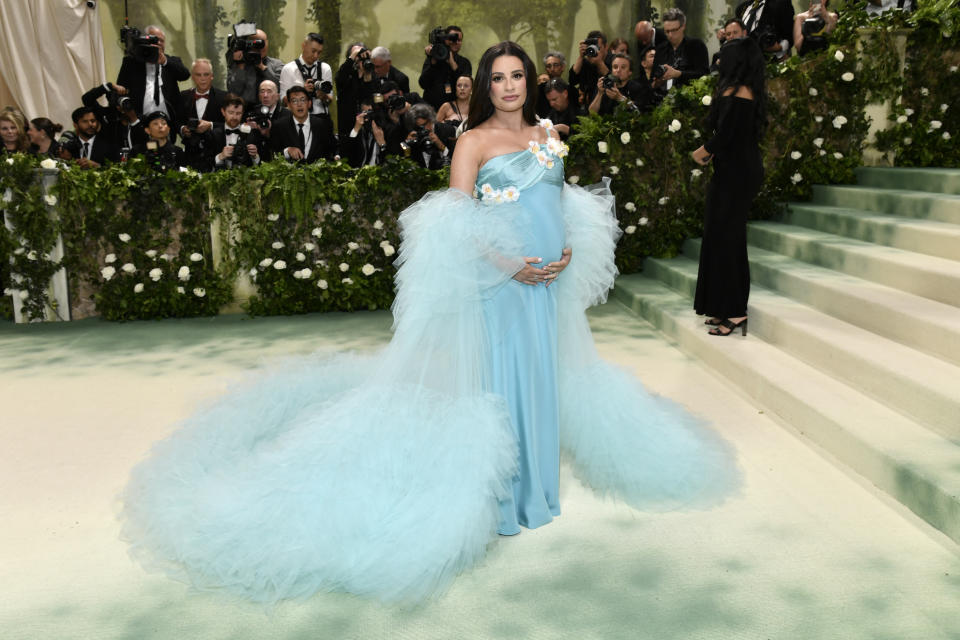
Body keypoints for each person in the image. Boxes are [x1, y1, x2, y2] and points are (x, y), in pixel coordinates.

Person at [120, 39, 737, 605]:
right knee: (497, 384)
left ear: (531, 81)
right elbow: (455, 223)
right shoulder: (471, 144)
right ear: (485, 86)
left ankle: (537, 493)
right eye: (498, 78)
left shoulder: (549, 134)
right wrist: (506, 265)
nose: (510, 86)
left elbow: (559, 197)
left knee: (542, 379)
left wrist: (569, 246)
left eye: (518, 75)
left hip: (546, 288)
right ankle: (498, 501)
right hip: (500, 289)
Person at [691, 37, 767, 337]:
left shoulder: (743, 93)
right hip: (730, 170)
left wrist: (704, 150)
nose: (720, 60)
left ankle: (735, 311)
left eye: (725, 56)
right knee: (717, 236)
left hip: (740, 173)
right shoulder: (733, 89)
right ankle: (720, 306)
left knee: (729, 239)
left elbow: (728, 135)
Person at [116, 26, 190, 138]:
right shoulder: (131, 63)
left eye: (162, 40)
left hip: (167, 125)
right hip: (139, 123)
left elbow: (185, 75)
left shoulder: (171, 61)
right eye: (155, 39)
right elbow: (120, 89)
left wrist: (164, 60)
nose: (158, 43)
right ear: (145, 40)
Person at [271, 86, 337, 163]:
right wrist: (287, 151)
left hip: (318, 173)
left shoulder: (323, 124)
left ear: (309, 103)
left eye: (303, 100)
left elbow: (334, 148)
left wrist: (337, 157)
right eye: (294, 101)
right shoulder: (279, 126)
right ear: (289, 105)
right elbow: (273, 154)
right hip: (290, 174)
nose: (299, 104)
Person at [279, 33, 334, 122]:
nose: (316, 56)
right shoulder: (288, 69)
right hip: (295, 118)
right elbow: (284, 101)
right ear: (303, 46)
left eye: (319, 52)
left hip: (321, 118)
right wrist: (301, 91)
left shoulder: (325, 68)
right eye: (313, 51)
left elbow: (329, 100)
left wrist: (323, 96)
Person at [654, 8, 709, 91]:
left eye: (674, 30)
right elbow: (653, 78)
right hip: (661, 98)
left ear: (683, 26)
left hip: (688, 97)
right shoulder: (661, 49)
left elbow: (704, 74)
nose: (670, 35)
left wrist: (679, 74)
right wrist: (657, 81)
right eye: (667, 31)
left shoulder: (696, 46)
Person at [225, 28, 284, 106]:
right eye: (255, 42)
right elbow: (233, 90)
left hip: (270, 111)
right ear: (249, 44)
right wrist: (240, 66)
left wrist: (262, 67)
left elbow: (280, 87)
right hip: (245, 110)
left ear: (267, 42)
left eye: (262, 42)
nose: (259, 47)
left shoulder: (276, 64)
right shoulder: (240, 64)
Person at [418, 26, 472, 110]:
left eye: (459, 40)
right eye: (453, 39)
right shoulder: (433, 59)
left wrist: (452, 64)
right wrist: (433, 63)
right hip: (430, 109)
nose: (456, 42)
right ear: (445, 40)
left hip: (453, 111)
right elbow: (423, 84)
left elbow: (465, 88)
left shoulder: (464, 63)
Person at [210, 94, 270, 170]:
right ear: (223, 112)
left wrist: (255, 156)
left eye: (238, 113)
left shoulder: (253, 134)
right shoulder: (213, 134)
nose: (234, 117)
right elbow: (207, 164)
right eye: (231, 113)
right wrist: (221, 156)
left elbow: (263, 164)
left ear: (242, 113)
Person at [400, 102, 455, 169]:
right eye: (418, 127)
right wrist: (407, 147)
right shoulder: (412, 134)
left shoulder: (447, 131)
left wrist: (442, 147)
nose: (423, 129)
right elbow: (406, 165)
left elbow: (455, 159)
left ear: (431, 119)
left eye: (424, 124)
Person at [569, 30, 610, 106]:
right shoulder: (586, 62)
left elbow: (612, 80)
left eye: (598, 48)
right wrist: (581, 56)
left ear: (606, 47)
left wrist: (599, 62)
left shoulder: (614, 61)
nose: (595, 50)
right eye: (592, 47)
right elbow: (572, 80)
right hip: (589, 107)